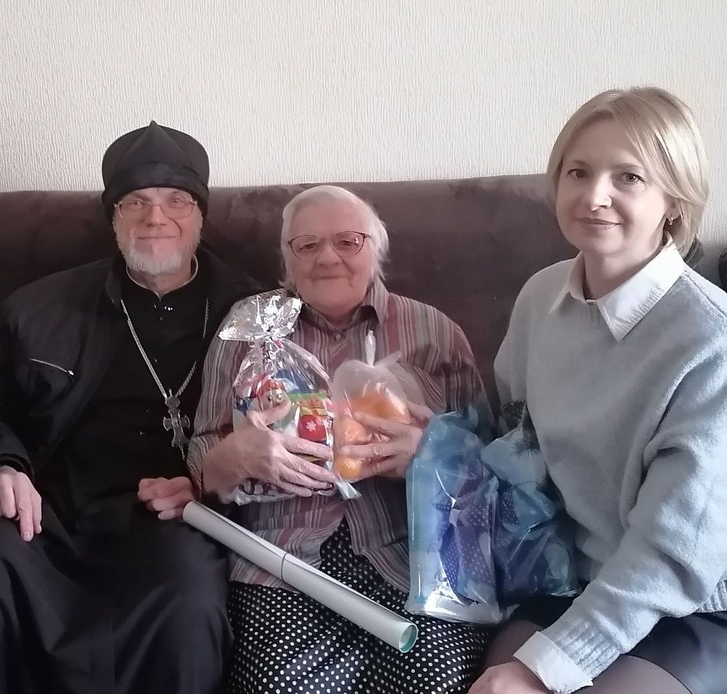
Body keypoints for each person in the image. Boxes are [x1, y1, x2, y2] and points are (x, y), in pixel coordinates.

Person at [0, 121, 261, 694]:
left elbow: (279, 421)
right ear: (113, 218)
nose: (156, 218)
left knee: (189, 598)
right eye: (136, 202)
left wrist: (212, 482)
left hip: (177, 515)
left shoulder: (255, 312)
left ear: (202, 215)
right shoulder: (38, 308)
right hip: (50, 509)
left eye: (176, 200)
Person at [470, 88, 727, 694]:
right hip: (566, 575)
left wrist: (545, 667)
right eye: (578, 172)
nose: (594, 196)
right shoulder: (540, 297)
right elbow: (514, 440)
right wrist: (428, 441)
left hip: (687, 602)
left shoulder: (711, 341)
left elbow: (675, 555)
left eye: (628, 177)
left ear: (674, 200)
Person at [189, 184, 491, 694]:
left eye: (348, 241)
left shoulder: (433, 332)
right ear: (286, 259)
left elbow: (488, 460)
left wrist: (427, 458)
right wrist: (234, 457)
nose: (327, 257)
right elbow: (200, 459)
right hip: (282, 564)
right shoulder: (246, 329)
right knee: (276, 686)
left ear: (377, 249)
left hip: (412, 561)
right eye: (306, 245)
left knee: (435, 679)